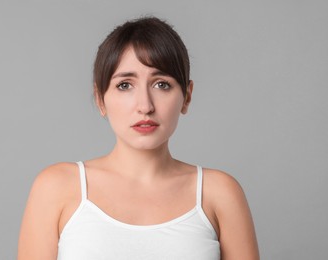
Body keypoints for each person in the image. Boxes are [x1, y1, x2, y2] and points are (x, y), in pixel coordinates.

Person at [17, 17, 259, 260]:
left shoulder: (219, 193)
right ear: (100, 99)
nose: (145, 106)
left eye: (162, 84)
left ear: (187, 96)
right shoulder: (57, 188)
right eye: (124, 85)